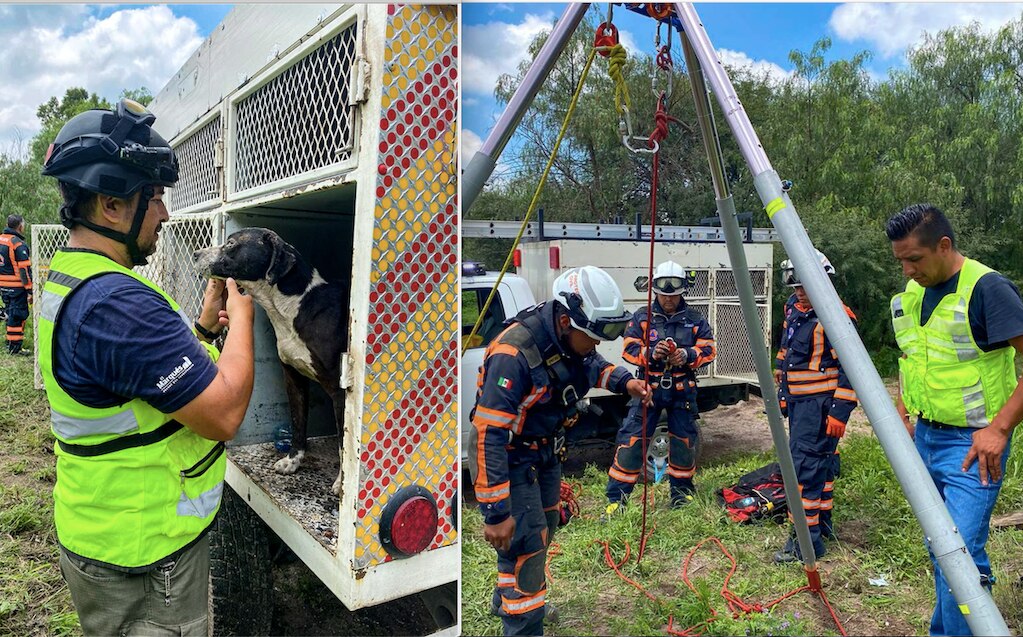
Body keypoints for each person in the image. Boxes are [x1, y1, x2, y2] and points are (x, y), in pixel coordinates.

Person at [38, 98, 256, 636]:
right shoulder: (118, 305)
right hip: (144, 557)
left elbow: (133, 385)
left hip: (104, 531)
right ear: (111, 205)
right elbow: (225, 412)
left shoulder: (75, 280)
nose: (164, 213)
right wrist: (246, 312)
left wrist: (203, 332)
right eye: (154, 197)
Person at [469, 265, 651, 636]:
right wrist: (495, 512)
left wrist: (625, 381)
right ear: (567, 321)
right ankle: (523, 619)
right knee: (528, 539)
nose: (596, 344)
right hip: (514, 457)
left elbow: (590, 365)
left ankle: (510, 596)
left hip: (546, 455)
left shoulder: (567, 339)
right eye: (592, 336)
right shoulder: (513, 354)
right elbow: (488, 435)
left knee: (547, 525)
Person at [886, 203, 1023, 636]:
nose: (907, 270)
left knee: (956, 554)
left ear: (944, 245)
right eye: (901, 261)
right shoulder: (912, 293)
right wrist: (905, 406)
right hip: (925, 437)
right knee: (942, 550)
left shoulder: (987, 288)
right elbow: (918, 356)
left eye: (915, 259)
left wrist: (999, 428)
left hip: (972, 448)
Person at [605, 260, 716, 512]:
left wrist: (687, 355)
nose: (668, 299)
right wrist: (652, 353)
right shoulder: (642, 318)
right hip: (648, 392)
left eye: (673, 295)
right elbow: (629, 349)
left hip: (682, 392)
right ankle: (616, 502)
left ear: (681, 292)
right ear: (655, 291)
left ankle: (682, 496)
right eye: (664, 294)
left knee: (683, 443)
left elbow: (709, 350)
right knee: (631, 442)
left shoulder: (695, 319)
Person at [772, 250, 858, 563]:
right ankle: (821, 528)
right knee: (818, 467)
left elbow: (853, 368)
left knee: (804, 470)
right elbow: (786, 355)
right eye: (795, 285)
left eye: (804, 285)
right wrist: (783, 393)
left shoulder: (836, 315)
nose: (799, 291)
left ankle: (804, 544)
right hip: (800, 406)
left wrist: (839, 411)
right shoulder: (794, 311)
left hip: (820, 408)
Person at [0, 214, 33, 355]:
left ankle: (9, 341)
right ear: (20, 226)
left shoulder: (1, 240)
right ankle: (14, 348)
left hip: (3, 285)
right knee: (17, 315)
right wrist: (30, 290)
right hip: (16, 287)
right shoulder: (17, 244)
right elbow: (24, 270)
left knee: (10, 312)